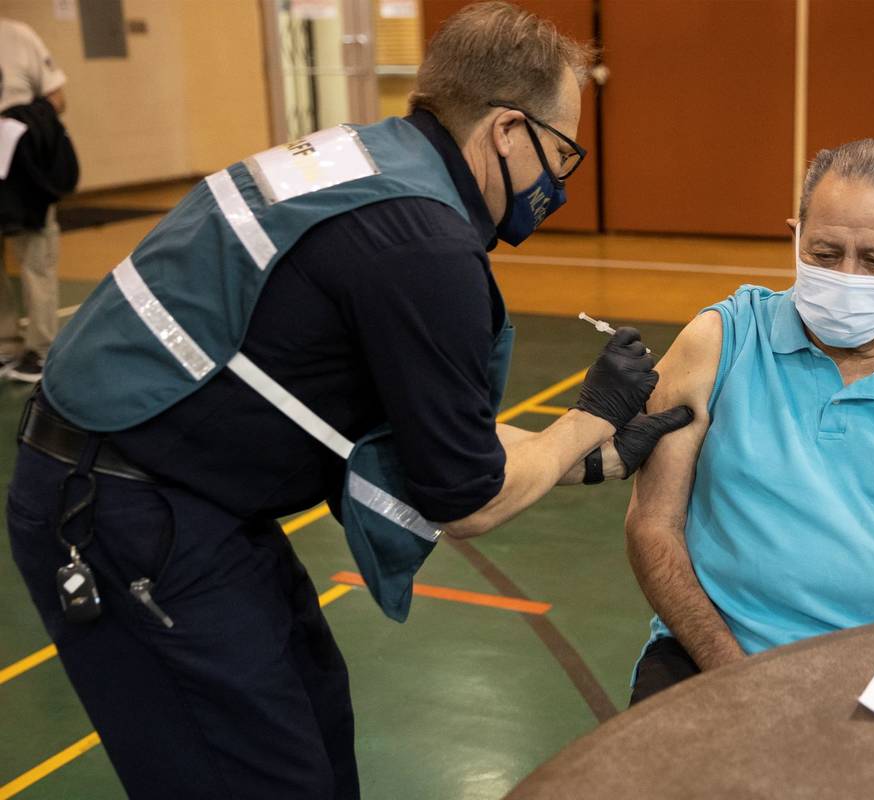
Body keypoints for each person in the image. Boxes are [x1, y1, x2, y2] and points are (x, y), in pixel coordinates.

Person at [7, 3, 688, 797]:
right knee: (259, 777)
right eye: (562, 154)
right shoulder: (424, 246)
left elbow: (434, 440)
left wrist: (589, 456)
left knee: (315, 723)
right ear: (508, 132)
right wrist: (589, 418)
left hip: (186, 493)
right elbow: (465, 497)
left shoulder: (369, 161)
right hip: (123, 513)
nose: (560, 181)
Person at [625, 139, 874, 704]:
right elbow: (653, 527)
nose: (846, 277)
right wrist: (732, 672)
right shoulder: (718, 342)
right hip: (709, 658)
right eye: (823, 253)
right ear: (794, 235)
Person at [0, 17, 68, 383]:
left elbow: (58, 98)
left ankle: (41, 347)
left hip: (21, 166)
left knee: (36, 253)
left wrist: (21, 121)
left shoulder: (19, 36)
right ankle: (4, 344)